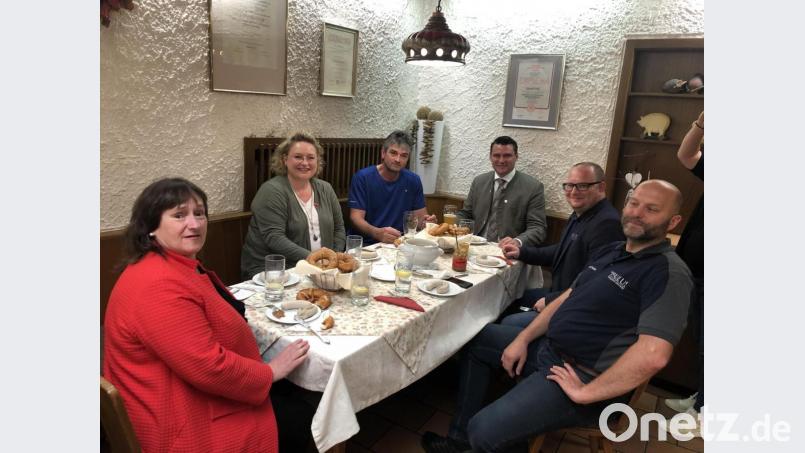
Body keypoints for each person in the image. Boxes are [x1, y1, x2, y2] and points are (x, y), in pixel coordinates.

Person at [421, 180, 693, 453]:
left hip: (582, 376)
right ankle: (461, 440)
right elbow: (567, 297)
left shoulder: (669, 273)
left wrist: (586, 392)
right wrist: (523, 339)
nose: (637, 213)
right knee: (479, 339)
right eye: (633, 203)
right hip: (550, 351)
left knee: (483, 429)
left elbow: (654, 353)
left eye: (652, 209)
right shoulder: (615, 251)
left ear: (673, 221)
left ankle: (490, 439)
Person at [104, 178, 312, 452]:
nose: (194, 223)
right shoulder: (157, 285)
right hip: (176, 417)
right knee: (304, 408)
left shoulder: (169, 263)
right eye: (179, 215)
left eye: (199, 213)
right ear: (151, 226)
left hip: (179, 386)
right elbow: (208, 366)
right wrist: (270, 372)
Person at [500, 162, 624, 324]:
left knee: (506, 322)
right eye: (569, 186)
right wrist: (521, 252)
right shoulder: (582, 213)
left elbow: (596, 282)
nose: (573, 192)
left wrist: (551, 300)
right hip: (560, 292)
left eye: (582, 186)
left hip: (573, 309)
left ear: (601, 187)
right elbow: (562, 251)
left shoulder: (607, 224)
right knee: (507, 297)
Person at [241, 132, 346, 279]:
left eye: (311, 157)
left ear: (318, 161)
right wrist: (314, 259)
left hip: (320, 270)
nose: (305, 163)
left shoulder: (326, 189)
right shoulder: (271, 191)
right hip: (275, 272)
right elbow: (274, 237)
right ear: (285, 160)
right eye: (298, 157)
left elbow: (339, 228)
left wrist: (333, 259)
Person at [664, 111, 704, 426]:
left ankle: (705, 411)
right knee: (701, 337)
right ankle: (702, 399)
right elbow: (687, 155)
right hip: (696, 266)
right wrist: (701, 123)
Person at [348, 130, 436, 244]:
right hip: (367, 244)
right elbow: (356, 218)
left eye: (403, 156)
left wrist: (427, 223)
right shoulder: (362, 177)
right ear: (383, 153)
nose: (398, 159)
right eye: (393, 153)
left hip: (399, 243)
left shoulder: (413, 180)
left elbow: (420, 220)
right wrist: (377, 233)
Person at [456, 136, 546, 247]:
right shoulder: (479, 182)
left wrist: (517, 241)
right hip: (475, 245)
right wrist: (448, 222)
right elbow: (466, 214)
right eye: (496, 155)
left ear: (516, 157)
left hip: (508, 251)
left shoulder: (533, 187)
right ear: (490, 157)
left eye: (507, 155)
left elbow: (538, 228)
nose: (501, 160)